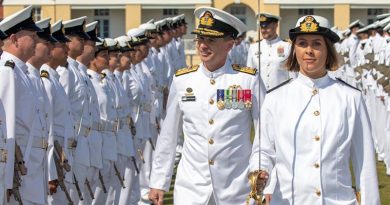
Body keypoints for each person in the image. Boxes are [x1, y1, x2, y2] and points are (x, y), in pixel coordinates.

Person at [257, 15, 380, 205]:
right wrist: (260, 170)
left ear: (328, 50)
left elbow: (364, 163)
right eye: (302, 43)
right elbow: (263, 150)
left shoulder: (350, 98)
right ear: (294, 49)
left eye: (317, 44)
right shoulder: (275, 98)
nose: (309, 51)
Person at [149, 6, 265, 205]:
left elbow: (265, 132)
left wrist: (261, 172)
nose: (203, 46)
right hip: (191, 188)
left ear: (229, 44)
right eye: (200, 39)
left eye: (211, 40)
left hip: (236, 187)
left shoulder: (248, 80)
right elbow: (169, 135)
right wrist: (159, 181)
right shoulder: (183, 80)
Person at [247, 13, 292, 90]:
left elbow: (293, 76)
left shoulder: (287, 47)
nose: (263, 30)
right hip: (259, 96)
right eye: (261, 27)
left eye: (266, 27)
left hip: (281, 95)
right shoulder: (254, 47)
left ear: (275, 26)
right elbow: (249, 75)